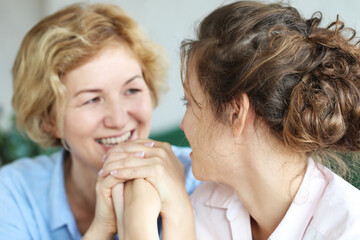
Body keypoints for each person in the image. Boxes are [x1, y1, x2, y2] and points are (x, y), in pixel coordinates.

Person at [118, 1, 360, 239]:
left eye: (190, 103)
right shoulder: (208, 204)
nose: (183, 125)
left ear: (236, 112)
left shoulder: (347, 230)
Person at [0, 3, 200, 240]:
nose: (118, 119)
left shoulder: (197, 180)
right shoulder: (13, 193)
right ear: (49, 120)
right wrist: (101, 228)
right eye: (93, 99)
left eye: (132, 90)